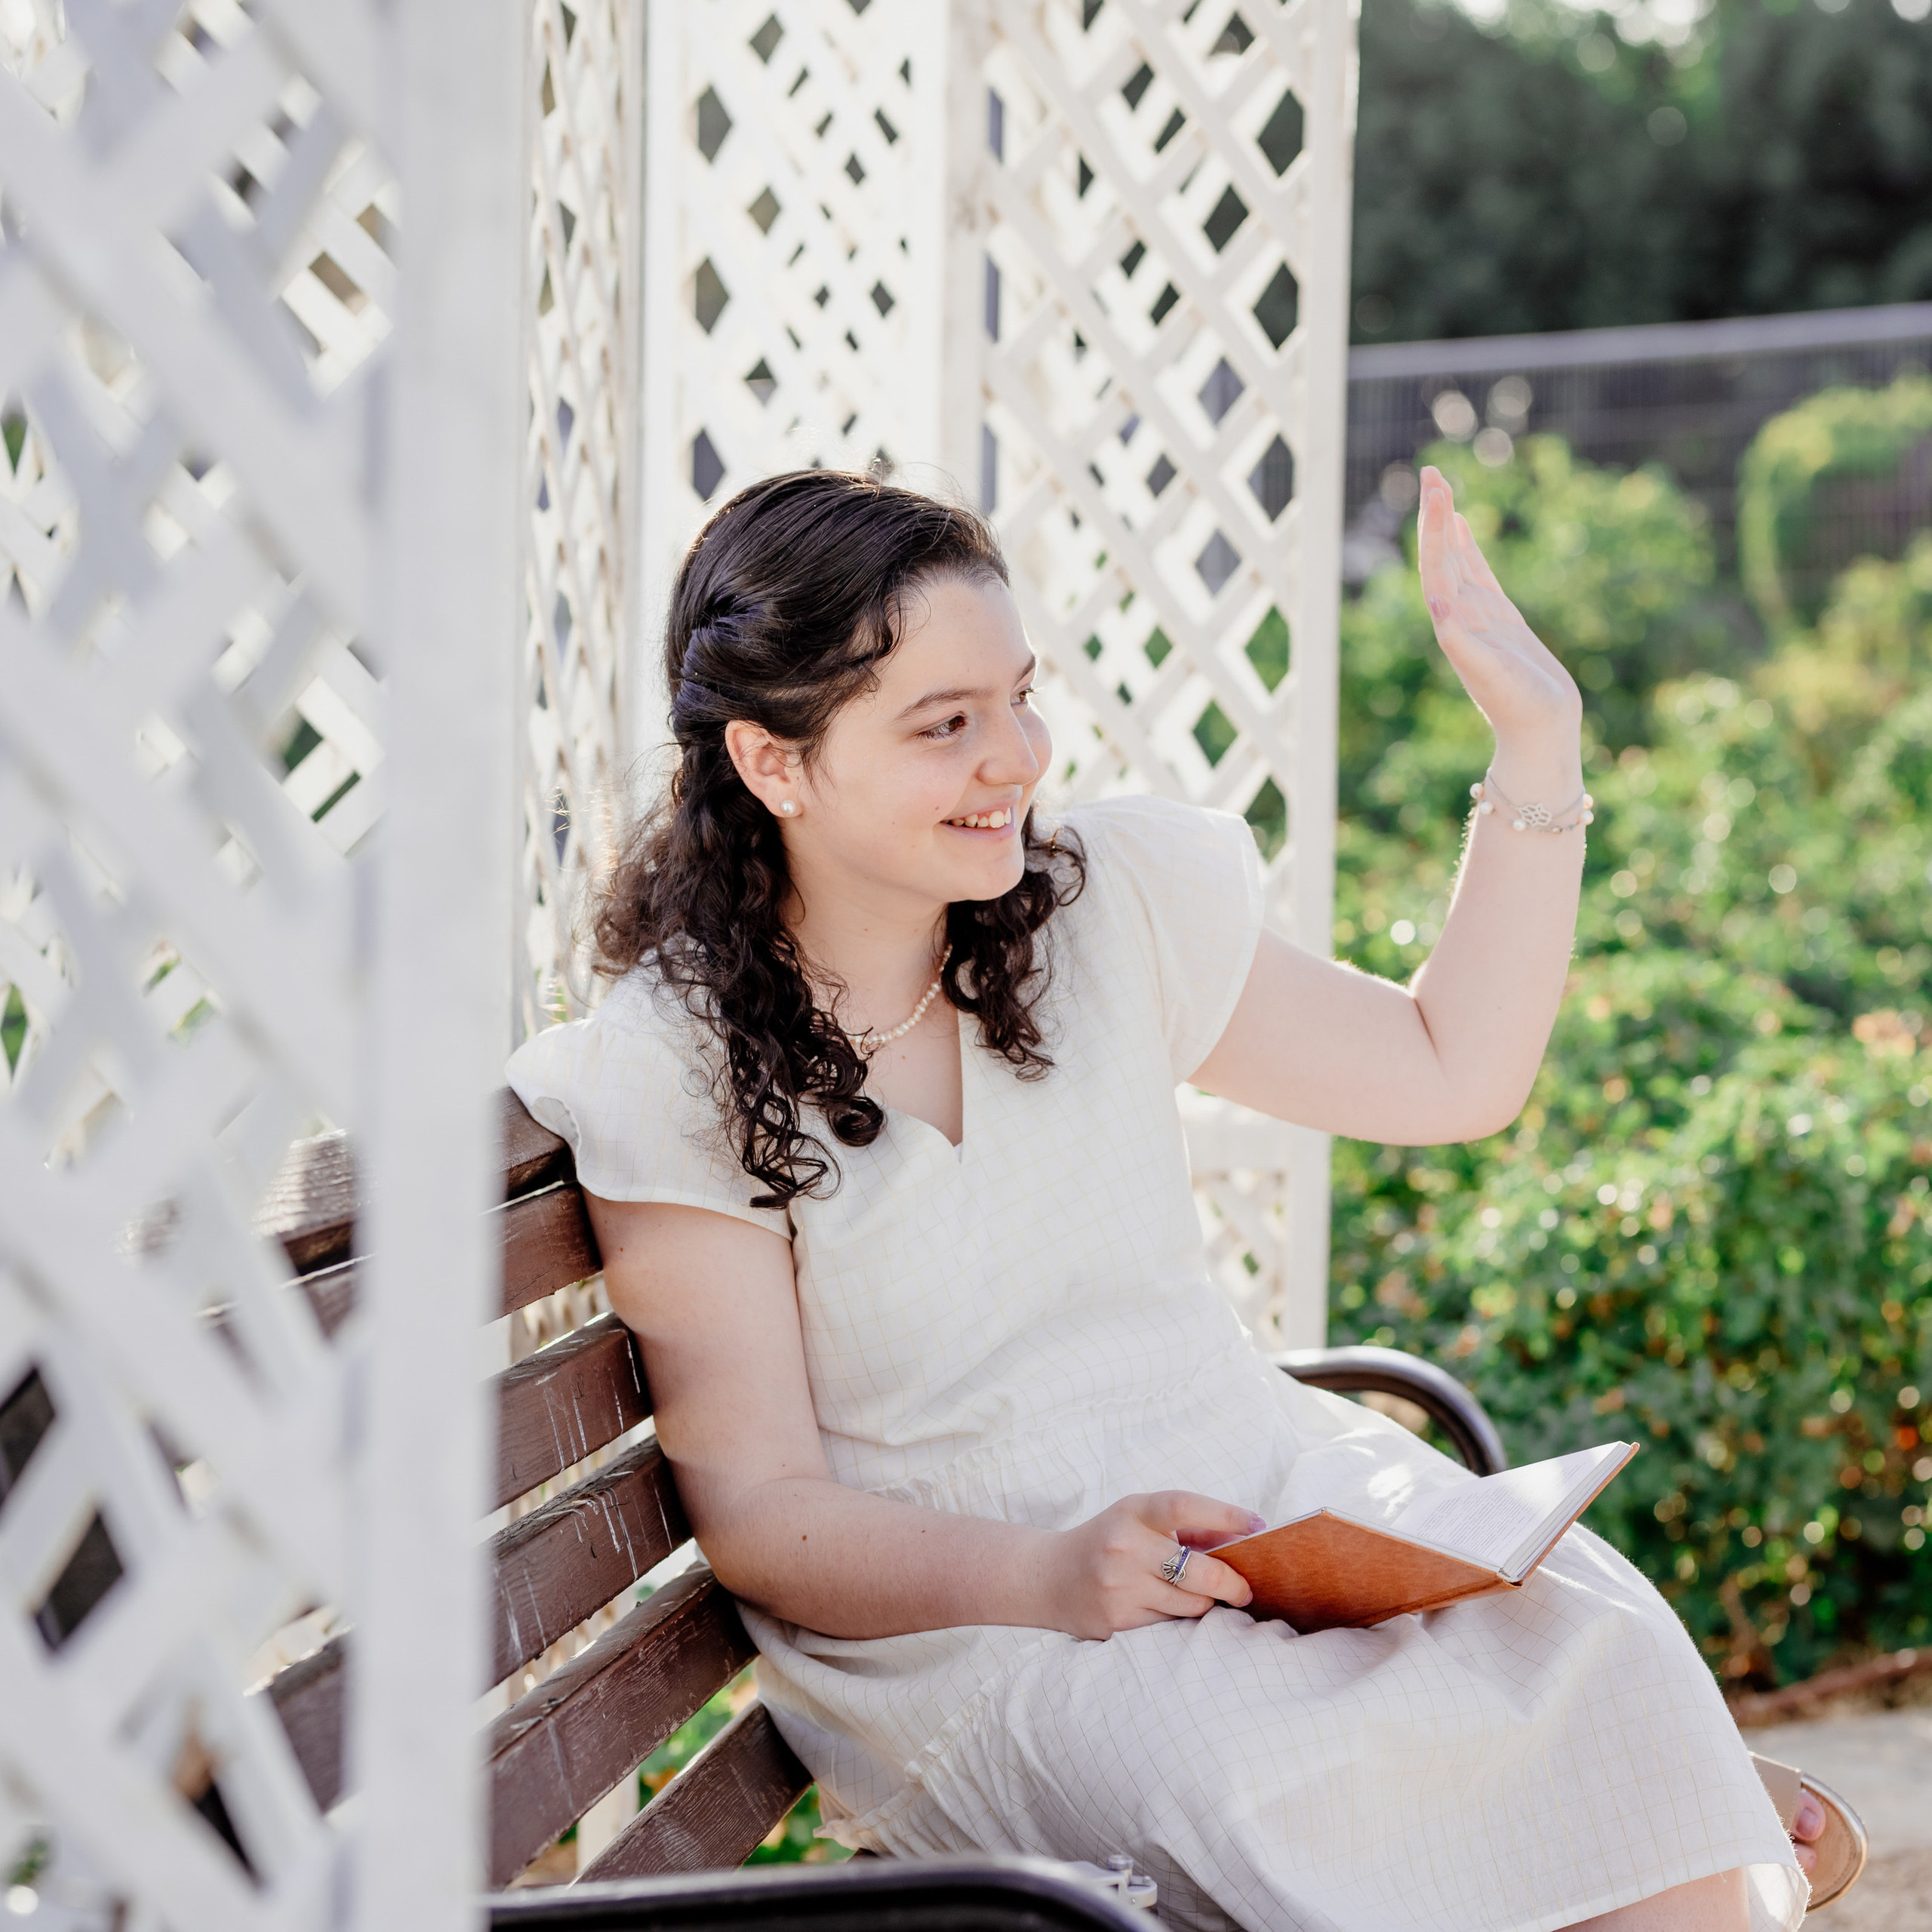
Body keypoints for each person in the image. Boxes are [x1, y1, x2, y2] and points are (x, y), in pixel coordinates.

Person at [508, 467, 1841, 1931]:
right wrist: (1046, 1568)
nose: (1012, 755)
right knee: (1285, 1774)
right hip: (984, 1619)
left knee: (1602, 1648)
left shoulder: (1097, 909)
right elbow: (762, 1507)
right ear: (774, 762)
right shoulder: (672, 1066)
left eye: (1017, 696)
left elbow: (1444, 1068)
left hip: (1258, 1493)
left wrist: (1536, 741)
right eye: (943, 725)